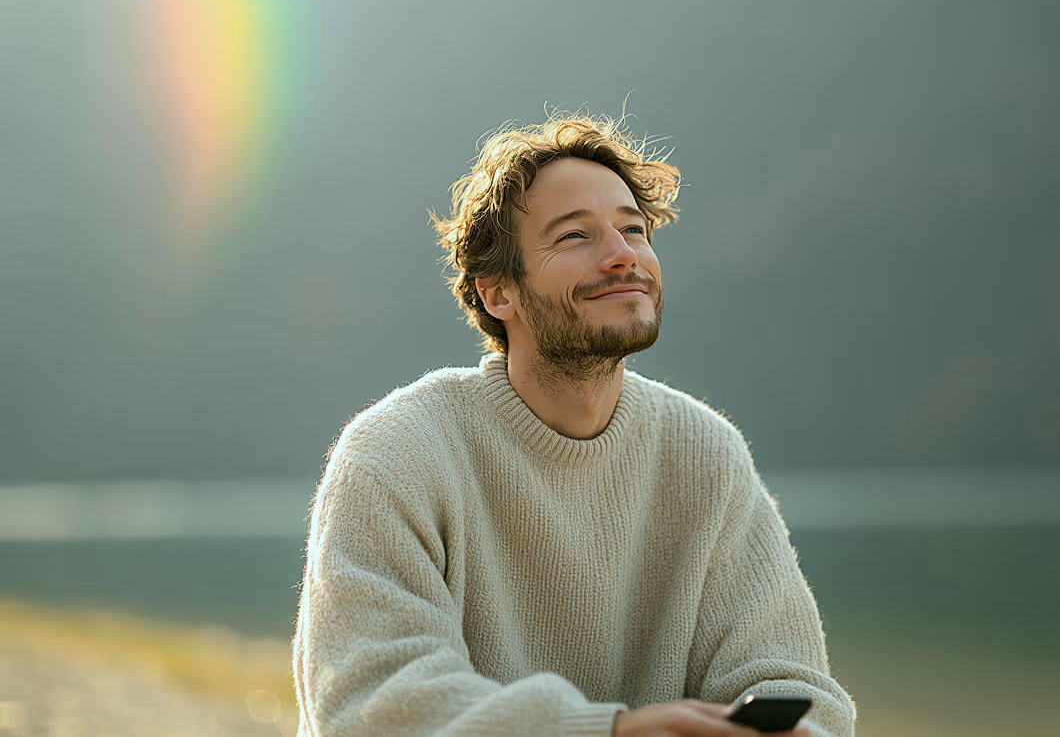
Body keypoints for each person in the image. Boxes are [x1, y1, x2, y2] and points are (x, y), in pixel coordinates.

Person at [292, 113, 856, 736]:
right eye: (574, 237)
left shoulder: (706, 452)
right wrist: (607, 732)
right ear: (497, 293)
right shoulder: (398, 450)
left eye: (633, 229)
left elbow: (794, 684)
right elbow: (374, 706)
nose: (622, 256)